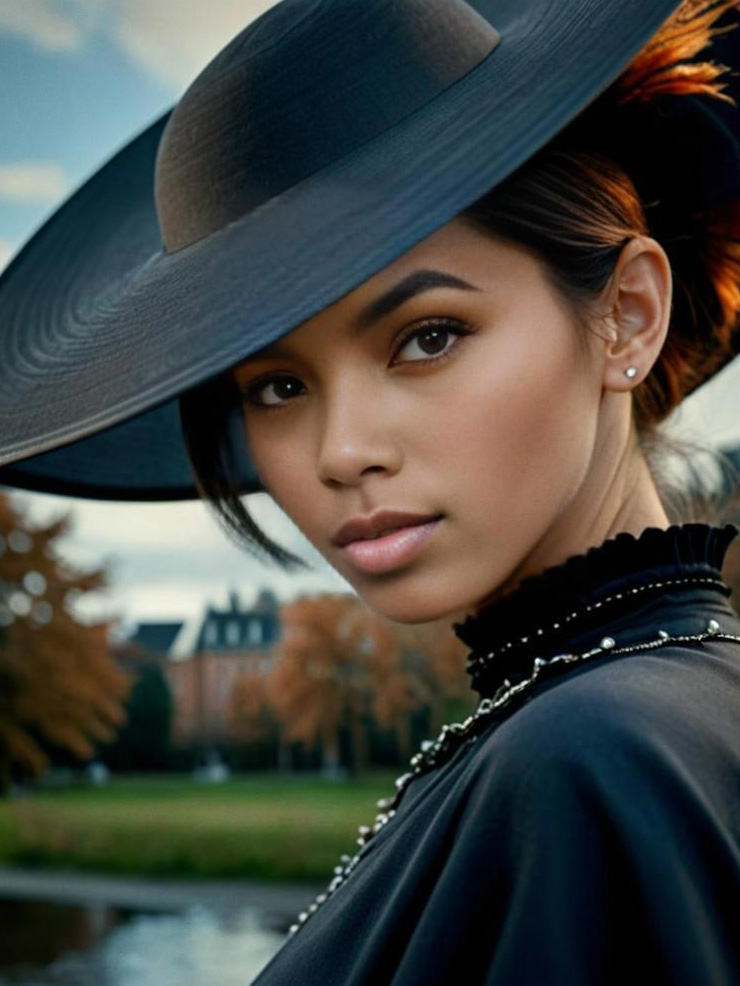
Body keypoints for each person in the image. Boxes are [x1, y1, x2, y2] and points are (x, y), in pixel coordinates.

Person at [0, 0, 740, 982]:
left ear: (625, 314)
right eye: (275, 385)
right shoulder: (655, 702)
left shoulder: (582, 759)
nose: (339, 451)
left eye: (427, 335)